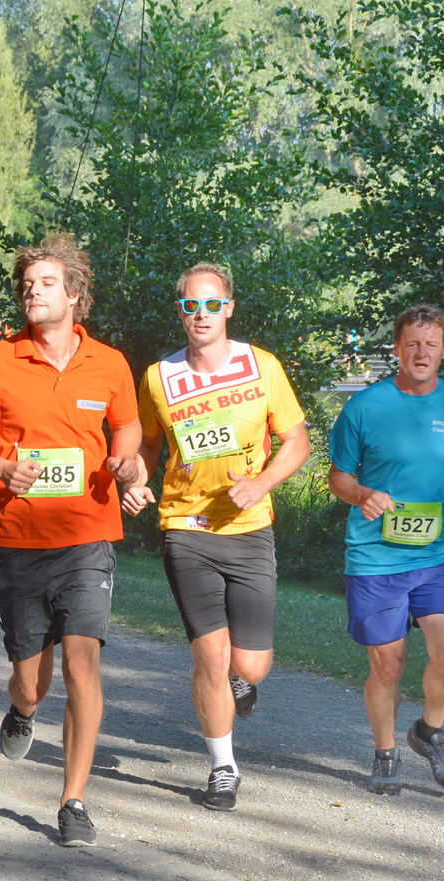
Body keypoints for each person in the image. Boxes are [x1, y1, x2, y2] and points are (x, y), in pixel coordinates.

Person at [0, 233, 143, 848]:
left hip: (88, 536)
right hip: (18, 537)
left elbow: (129, 427)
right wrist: (3, 468)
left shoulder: (110, 364)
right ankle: (24, 709)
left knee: (83, 661)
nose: (33, 292)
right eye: (27, 284)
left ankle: (74, 800)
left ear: (75, 294)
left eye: (45, 283)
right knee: (33, 678)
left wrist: (124, 461)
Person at [120, 263, 310, 811]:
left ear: (228, 308)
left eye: (210, 305)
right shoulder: (158, 377)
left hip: (249, 529)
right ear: (180, 312)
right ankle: (223, 767)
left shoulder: (263, 367)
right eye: (189, 306)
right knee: (210, 654)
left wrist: (263, 482)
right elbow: (148, 447)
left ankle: (239, 683)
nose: (200, 316)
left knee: (248, 667)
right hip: (187, 526)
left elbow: (295, 441)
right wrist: (133, 479)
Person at [325, 304, 444, 795]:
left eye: (431, 344)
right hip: (376, 556)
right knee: (387, 665)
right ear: (397, 349)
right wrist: (362, 495)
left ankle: (429, 729)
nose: (421, 353)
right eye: (412, 344)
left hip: (440, 552)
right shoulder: (364, 408)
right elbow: (338, 477)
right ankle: (385, 751)